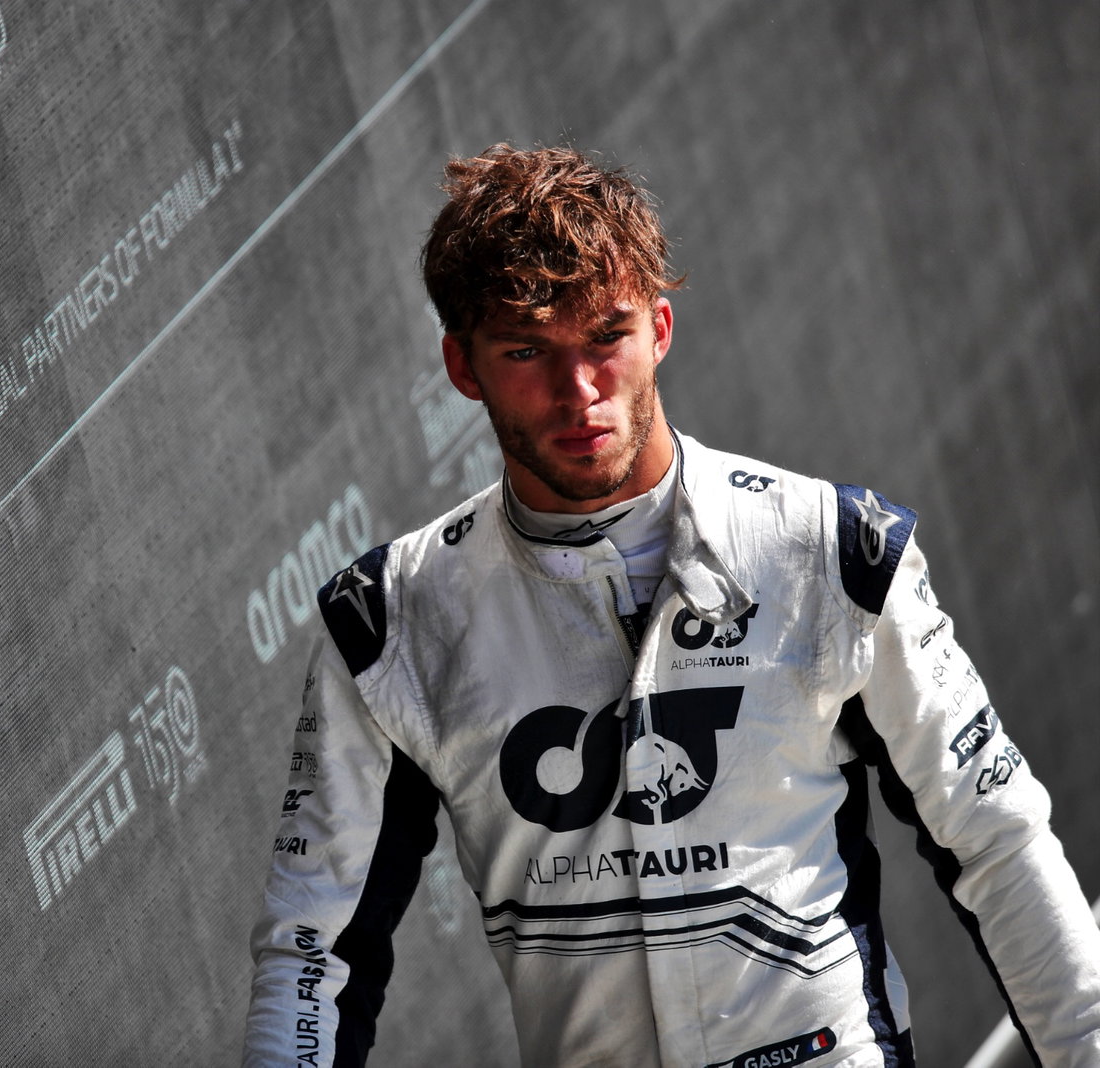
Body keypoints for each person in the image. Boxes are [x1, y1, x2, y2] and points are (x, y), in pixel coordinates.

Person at [240, 144, 1100, 1067]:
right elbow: (310, 953)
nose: (580, 393)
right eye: (528, 351)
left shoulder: (832, 550)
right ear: (463, 365)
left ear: (659, 328)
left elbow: (997, 839)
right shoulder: (391, 627)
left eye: (606, 336)